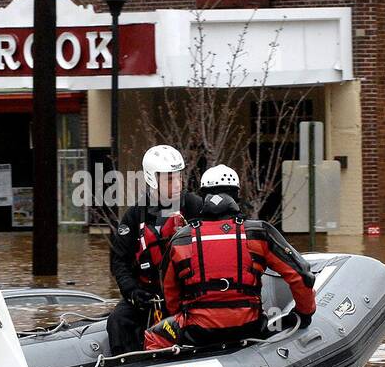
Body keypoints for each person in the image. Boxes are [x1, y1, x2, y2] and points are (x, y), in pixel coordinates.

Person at [145, 165, 316, 349]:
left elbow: (170, 292)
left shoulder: (182, 239)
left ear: (204, 197)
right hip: (250, 327)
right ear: (236, 196)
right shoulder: (258, 233)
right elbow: (301, 275)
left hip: (198, 331)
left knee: (153, 336)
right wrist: (303, 314)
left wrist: (186, 314)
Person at [106, 144, 188, 355]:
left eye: (179, 177)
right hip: (147, 296)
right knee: (118, 320)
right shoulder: (135, 216)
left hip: (186, 294)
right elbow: (119, 261)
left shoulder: (194, 208)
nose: (177, 183)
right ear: (153, 179)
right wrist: (132, 292)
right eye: (170, 178)